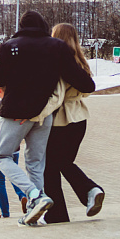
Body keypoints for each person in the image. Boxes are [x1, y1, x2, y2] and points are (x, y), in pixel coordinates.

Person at [0, 11, 95, 227]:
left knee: (1, 156)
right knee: (36, 163)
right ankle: (34, 213)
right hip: (44, 114)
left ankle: (34, 195)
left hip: (16, 113)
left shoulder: (9, 46)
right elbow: (81, 80)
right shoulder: (57, 46)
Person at [41, 23, 104, 223]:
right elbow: (87, 89)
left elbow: (55, 94)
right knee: (63, 163)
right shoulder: (80, 61)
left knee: (50, 167)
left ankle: (65, 208)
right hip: (79, 117)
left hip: (60, 120)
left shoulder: (58, 61)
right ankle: (88, 192)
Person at [0, 87, 27, 219]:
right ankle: (23, 196)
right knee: (13, 175)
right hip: (14, 147)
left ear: (0, 91)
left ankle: (5, 213)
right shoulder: (20, 104)